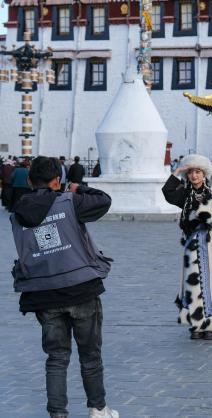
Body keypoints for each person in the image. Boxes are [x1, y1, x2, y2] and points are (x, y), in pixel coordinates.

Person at [10, 156, 118, 418]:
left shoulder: (17, 213)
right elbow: (104, 200)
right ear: (57, 181)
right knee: (90, 355)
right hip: (80, 288)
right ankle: (98, 409)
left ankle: (57, 414)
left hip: (43, 293)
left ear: (30, 181)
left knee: (56, 358)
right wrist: (79, 187)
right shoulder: (70, 202)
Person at [162, 155, 212, 341]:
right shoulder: (185, 195)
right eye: (191, 172)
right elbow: (168, 192)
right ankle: (197, 324)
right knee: (194, 284)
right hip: (193, 244)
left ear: (204, 174)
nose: (194, 176)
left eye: (197, 172)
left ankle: (211, 324)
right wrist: (178, 170)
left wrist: (208, 217)